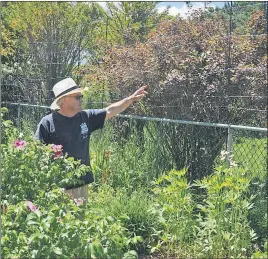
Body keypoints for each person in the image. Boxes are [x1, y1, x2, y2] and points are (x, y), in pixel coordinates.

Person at [35, 77, 147, 202]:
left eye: (81, 96)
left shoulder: (86, 117)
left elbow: (110, 110)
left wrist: (130, 99)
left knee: (79, 220)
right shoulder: (47, 123)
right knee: (58, 220)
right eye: (77, 97)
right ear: (65, 100)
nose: (81, 99)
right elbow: (37, 153)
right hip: (57, 186)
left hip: (81, 183)